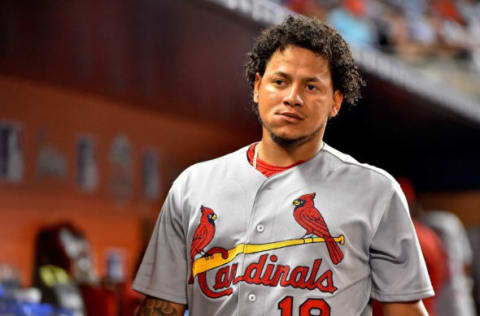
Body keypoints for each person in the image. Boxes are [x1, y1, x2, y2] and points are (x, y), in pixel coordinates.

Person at [132, 16, 433, 316]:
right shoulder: (193, 185)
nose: (293, 98)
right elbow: (163, 305)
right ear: (257, 87)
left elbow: (404, 308)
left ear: (336, 102)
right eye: (280, 81)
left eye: (312, 87)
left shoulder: (376, 192)